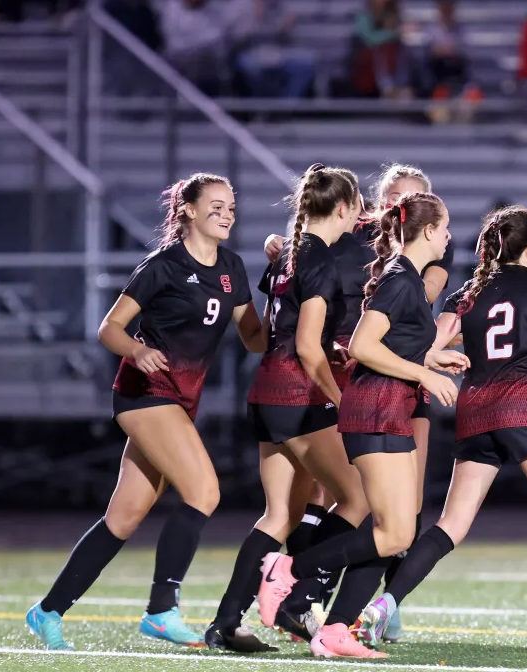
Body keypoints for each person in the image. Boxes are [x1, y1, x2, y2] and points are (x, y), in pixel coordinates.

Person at [26, 173, 266, 650]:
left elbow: (256, 338)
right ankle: (161, 610)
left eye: (232, 208)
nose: (226, 214)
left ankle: (48, 611)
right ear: (189, 211)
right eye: (215, 205)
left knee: (124, 518)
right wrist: (135, 351)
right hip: (145, 392)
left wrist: (291, 301)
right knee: (203, 490)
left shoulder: (233, 268)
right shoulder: (163, 265)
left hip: (180, 399)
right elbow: (110, 328)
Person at [356, 205, 527, 653]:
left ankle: (385, 604)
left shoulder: (468, 291)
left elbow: (426, 344)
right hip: (526, 409)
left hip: (476, 409)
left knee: (452, 523)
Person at [256, 192, 468, 659]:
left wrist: (433, 356)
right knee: (394, 533)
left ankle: (334, 630)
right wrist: (425, 373)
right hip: (375, 409)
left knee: (396, 534)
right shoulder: (401, 279)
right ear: (429, 232)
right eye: (446, 227)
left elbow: (395, 344)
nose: (450, 236)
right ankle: (287, 569)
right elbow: (363, 346)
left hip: (389, 408)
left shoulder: (405, 278)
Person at [205, 165, 370, 652]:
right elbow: (306, 347)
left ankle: (226, 623)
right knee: (359, 497)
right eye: (356, 205)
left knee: (280, 514)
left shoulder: (288, 257)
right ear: (341, 208)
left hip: (265, 391)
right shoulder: (319, 261)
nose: (359, 214)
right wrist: (342, 399)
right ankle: (298, 594)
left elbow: (270, 336)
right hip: (298, 397)